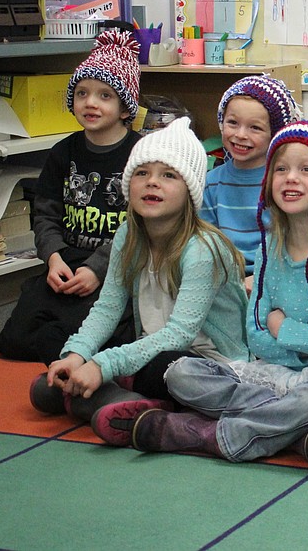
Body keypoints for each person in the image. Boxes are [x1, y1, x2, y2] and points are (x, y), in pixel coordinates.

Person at [92, 121, 308, 470]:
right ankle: (298, 432)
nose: (291, 178)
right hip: (273, 377)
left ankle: (206, 435)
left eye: (306, 170)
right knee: (180, 374)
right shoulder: (269, 248)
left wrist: (282, 327)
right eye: (281, 169)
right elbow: (256, 337)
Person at [27, 116, 249, 424]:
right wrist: (75, 356)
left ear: (190, 191)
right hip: (148, 346)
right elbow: (107, 308)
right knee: (53, 336)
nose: (152, 182)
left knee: (168, 368)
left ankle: (99, 394)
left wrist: (103, 365)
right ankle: (101, 393)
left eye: (169, 175)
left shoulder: (203, 249)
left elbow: (179, 335)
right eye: (141, 172)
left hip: (206, 362)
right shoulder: (128, 235)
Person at [0, 29, 142, 364]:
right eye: (82, 93)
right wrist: (53, 258)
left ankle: (76, 346)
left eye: (105, 95)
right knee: (12, 341)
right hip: (67, 261)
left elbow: (139, 226)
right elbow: (45, 212)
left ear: (124, 108)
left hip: (117, 268)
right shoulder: (64, 152)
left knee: (85, 333)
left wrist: (97, 269)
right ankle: (64, 340)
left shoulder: (140, 153)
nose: (90, 102)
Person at [202, 74, 302, 292]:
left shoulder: (283, 182)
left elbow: (295, 243)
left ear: (274, 134)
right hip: (225, 279)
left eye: (255, 128)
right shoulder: (211, 182)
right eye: (232, 123)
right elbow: (206, 242)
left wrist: (259, 278)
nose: (240, 135)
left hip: (278, 276)